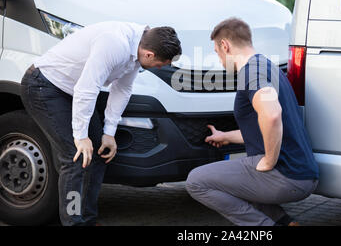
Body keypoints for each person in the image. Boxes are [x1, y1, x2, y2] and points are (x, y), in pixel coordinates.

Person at [20, 21, 182, 226]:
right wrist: (80, 137)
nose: (158, 68)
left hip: (73, 92)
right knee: (75, 157)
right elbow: (86, 89)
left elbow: (122, 89)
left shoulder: (139, 47)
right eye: (159, 65)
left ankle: (87, 219)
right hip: (45, 87)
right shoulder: (115, 44)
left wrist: (108, 133)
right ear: (149, 54)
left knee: (97, 153)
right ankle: (74, 222)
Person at [186, 18, 319, 226]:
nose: (219, 59)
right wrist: (226, 136)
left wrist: (269, 160)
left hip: (284, 176)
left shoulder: (251, 72)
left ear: (225, 45)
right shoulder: (267, 66)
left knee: (197, 181)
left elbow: (272, 115)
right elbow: (263, 126)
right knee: (232, 178)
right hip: (303, 173)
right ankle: (285, 222)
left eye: (216, 51)